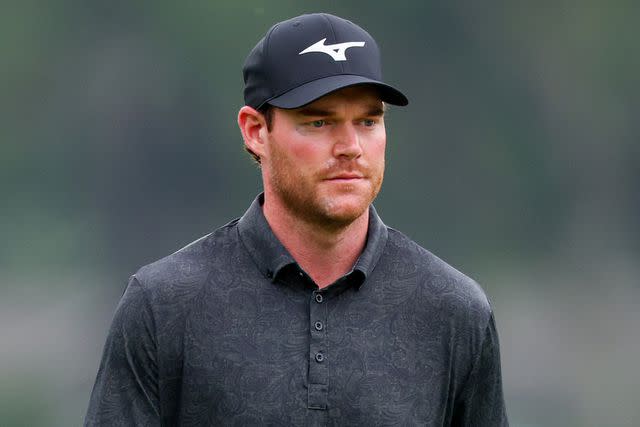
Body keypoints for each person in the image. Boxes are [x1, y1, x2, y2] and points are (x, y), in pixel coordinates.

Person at [85, 12, 508, 426]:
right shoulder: (164, 306)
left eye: (368, 121)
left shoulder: (454, 311)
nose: (350, 147)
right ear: (255, 131)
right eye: (319, 121)